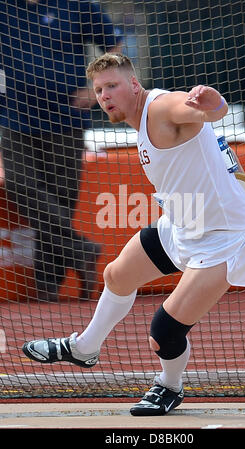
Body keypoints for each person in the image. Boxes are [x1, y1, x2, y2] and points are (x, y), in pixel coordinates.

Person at [22, 53, 245, 415]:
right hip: (184, 222)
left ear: (134, 84)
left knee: (163, 332)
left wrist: (214, 104)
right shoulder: (139, 122)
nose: (104, 95)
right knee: (116, 275)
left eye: (112, 85)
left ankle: (170, 386)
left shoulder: (161, 108)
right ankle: (84, 347)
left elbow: (198, 109)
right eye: (99, 89)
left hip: (223, 236)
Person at [0, 0, 122, 301]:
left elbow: (114, 47)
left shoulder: (79, 6)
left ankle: (47, 294)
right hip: (14, 117)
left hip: (66, 118)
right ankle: (82, 250)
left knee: (61, 202)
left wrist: (98, 90)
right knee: (19, 185)